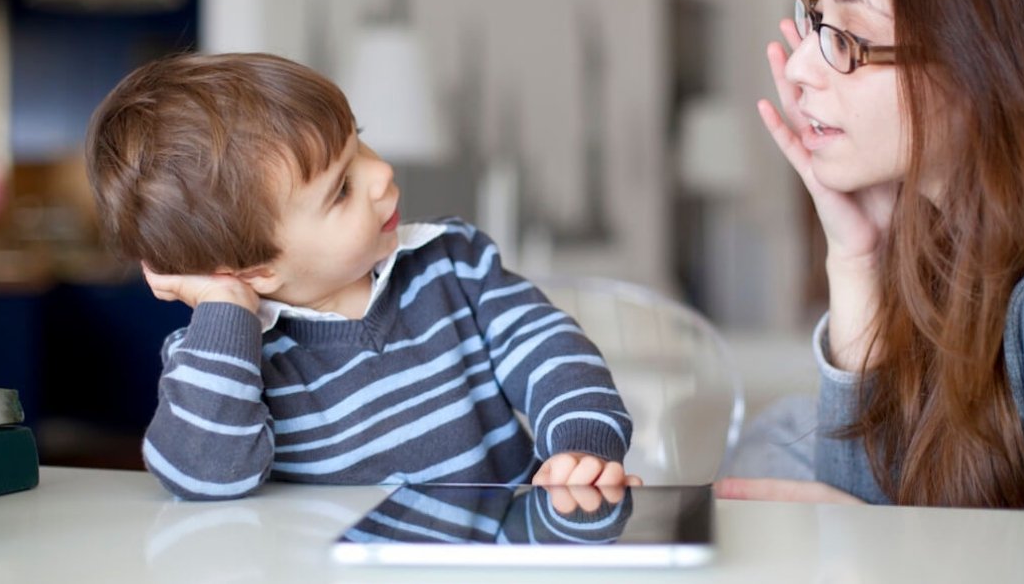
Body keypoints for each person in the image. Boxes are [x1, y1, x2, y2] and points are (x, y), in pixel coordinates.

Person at [718, 0, 1024, 512]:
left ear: (987, 60)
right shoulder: (959, 242)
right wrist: (857, 256)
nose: (797, 68)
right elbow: (861, 504)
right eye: (817, 18)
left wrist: (881, 547)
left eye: (847, 38)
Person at [85, 52, 638, 500]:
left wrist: (580, 444)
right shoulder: (224, 360)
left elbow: (550, 349)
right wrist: (228, 307)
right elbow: (203, 475)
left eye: (360, 141)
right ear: (258, 270)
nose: (380, 173)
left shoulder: (454, 263)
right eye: (341, 190)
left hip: (494, 554)